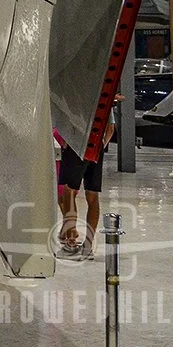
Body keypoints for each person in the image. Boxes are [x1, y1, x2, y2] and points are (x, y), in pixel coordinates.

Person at [55, 101, 119, 259]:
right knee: (93, 195)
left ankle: (70, 243)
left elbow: (62, 122)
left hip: (76, 144)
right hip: (97, 146)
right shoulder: (104, 98)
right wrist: (102, 146)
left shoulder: (75, 96)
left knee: (69, 193)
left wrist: (64, 143)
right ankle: (88, 246)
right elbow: (110, 128)